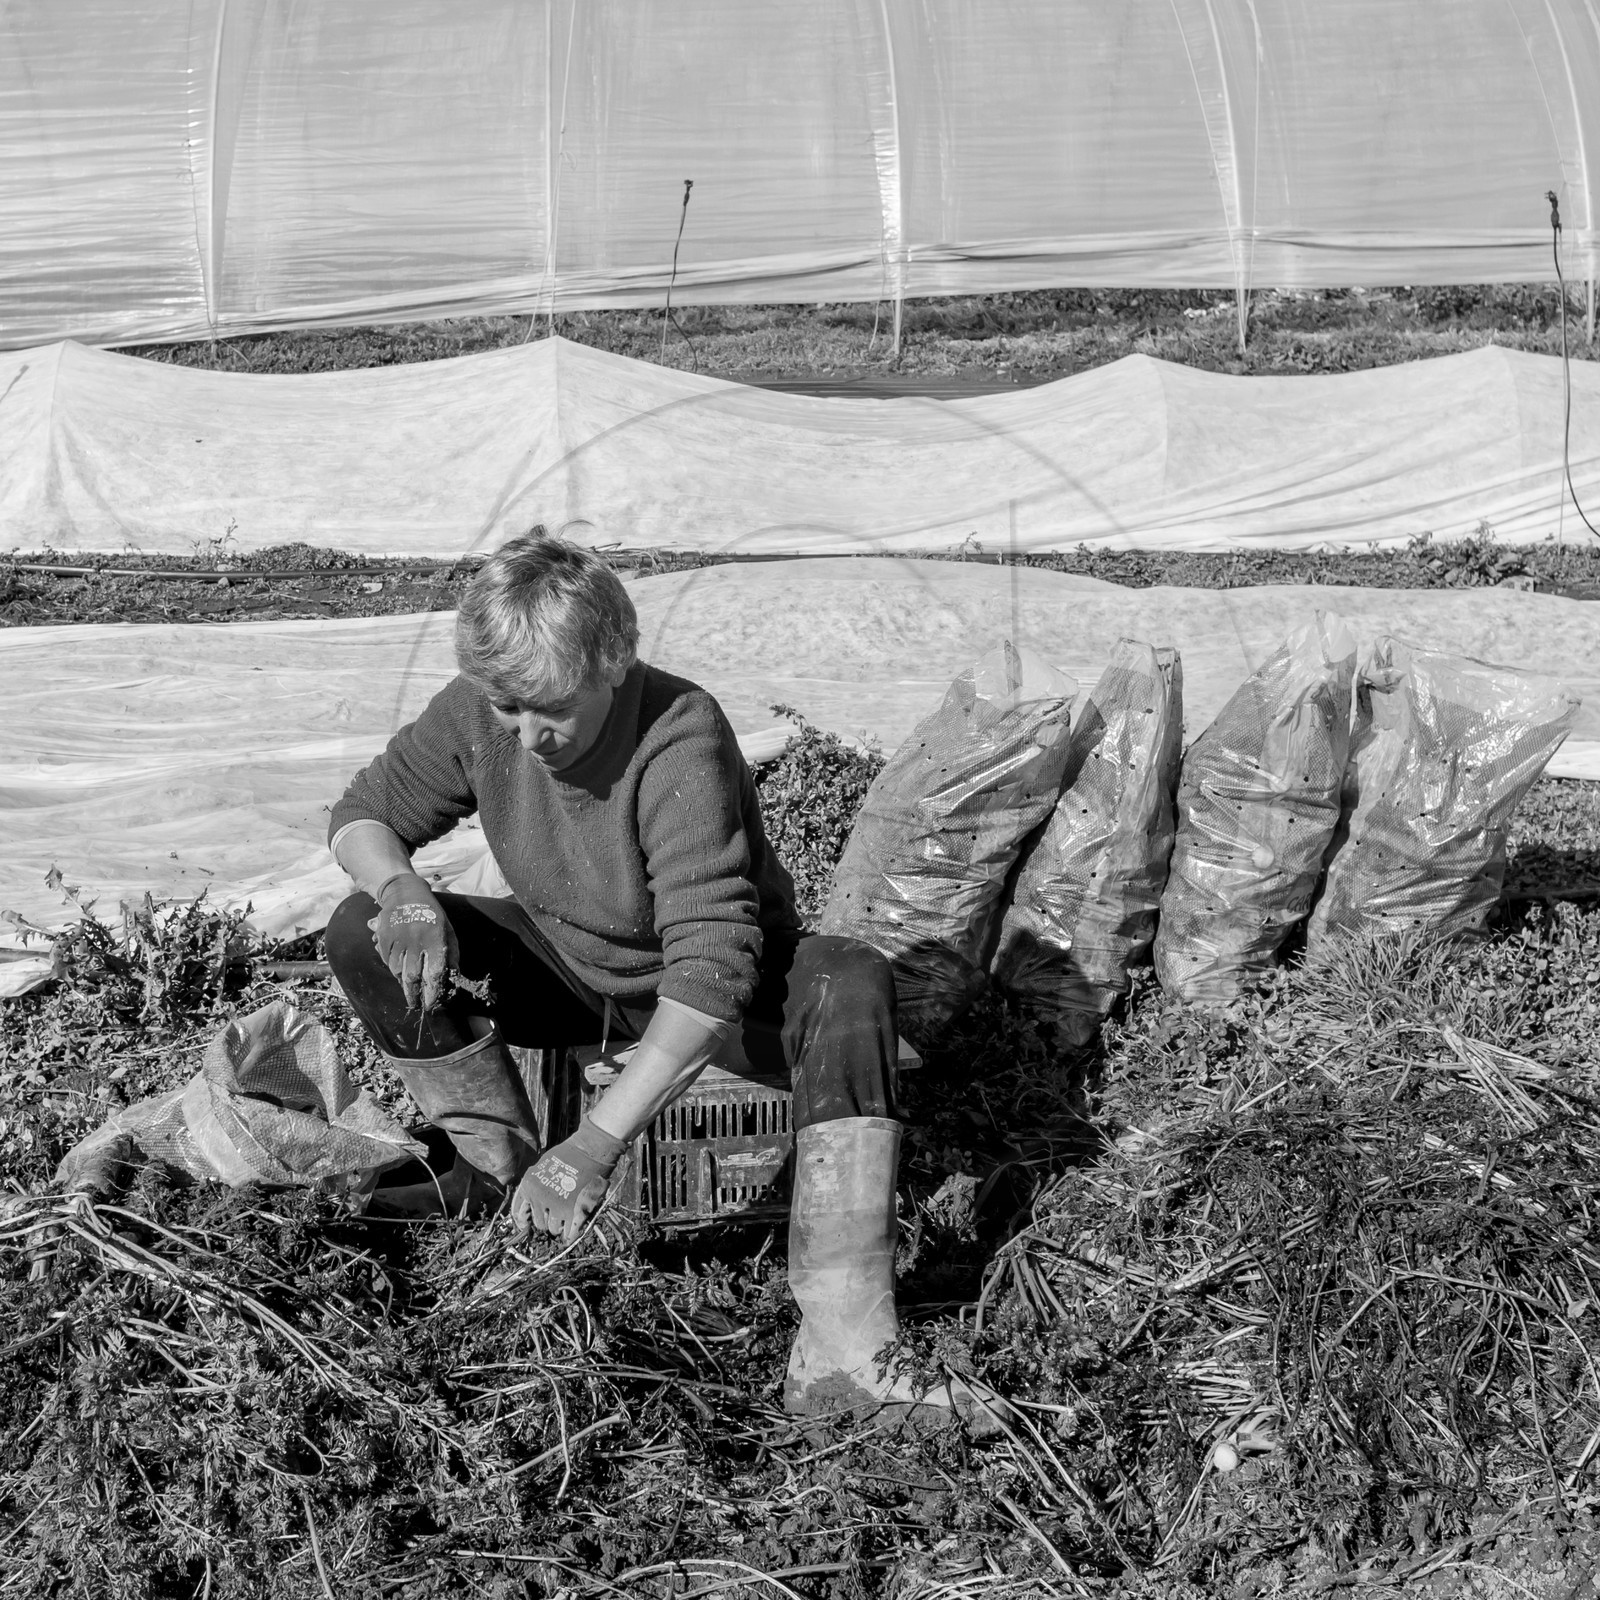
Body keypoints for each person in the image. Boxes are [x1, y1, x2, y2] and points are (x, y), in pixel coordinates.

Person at [323, 530, 961, 1419]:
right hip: (572, 969)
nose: (529, 735)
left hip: (717, 992)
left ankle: (845, 1341)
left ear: (612, 663)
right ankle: (491, 1172)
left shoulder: (678, 736)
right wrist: (401, 891)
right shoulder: (483, 711)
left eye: (551, 710)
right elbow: (365, 810)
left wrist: (592, 1144)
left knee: (849, 979)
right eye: (510, 710)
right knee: (357, 930)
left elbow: (709, 966)